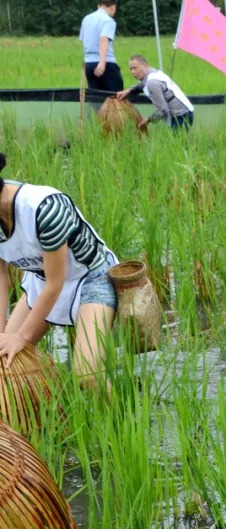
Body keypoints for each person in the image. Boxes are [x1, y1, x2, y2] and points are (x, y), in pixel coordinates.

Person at [0, 153, 118, 388]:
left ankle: (119, 422)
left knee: (88, 374)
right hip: (40, 279)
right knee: (5, 360)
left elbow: (57, 282)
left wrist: (21, 336)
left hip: (89, 276)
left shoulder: (45, 209)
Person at [116, 55, 194, 132]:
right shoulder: (151, 71)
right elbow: (142, 84)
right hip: (186, 110)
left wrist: (148, 120)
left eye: (135, 68)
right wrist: (129, 90)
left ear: (145, 65)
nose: (133, 72)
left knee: (177, 143)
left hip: (179, 116)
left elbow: (163, 110)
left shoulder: (152, 83)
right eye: (131, 69)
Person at [79, 0, 123, 99]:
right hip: (106, 63)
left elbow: (84, 40)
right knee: (115, 97)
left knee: (96, 99)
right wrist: (102, 62)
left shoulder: (86, 19)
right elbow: (103, 39)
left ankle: (97, 115)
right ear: (113, 7)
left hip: (89, 63)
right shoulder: (108, 20)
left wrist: (86, 60)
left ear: (99, 5)